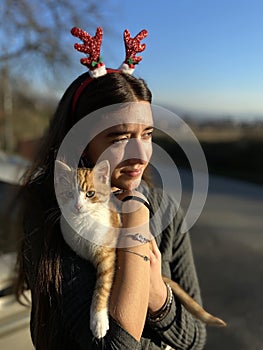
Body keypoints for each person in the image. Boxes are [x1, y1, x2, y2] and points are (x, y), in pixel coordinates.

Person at [15, 27, 207, 350]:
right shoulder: (50, 210)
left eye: (147, 134)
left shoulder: (167, 209)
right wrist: (136, 214)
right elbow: (114, 345)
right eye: (119, 138)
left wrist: (158, 295)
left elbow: (197, 337)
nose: (141, 154)